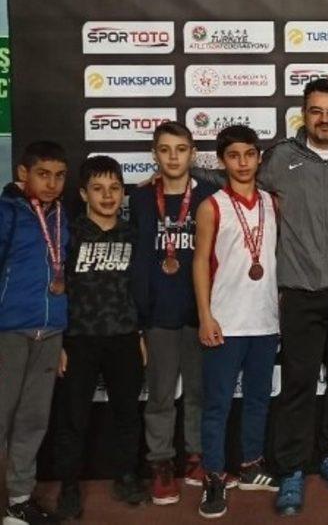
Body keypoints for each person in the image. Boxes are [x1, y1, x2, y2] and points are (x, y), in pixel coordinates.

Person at [190, 78, 328, 515]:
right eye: (316, 111)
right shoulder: (280, 158)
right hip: (300, 291)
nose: (324, 119)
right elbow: (231, 176)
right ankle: (292, 468)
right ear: (304, 115)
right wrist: (176, 174)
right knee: (297, 383)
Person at [193, 125, 281, 519]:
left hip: (264, 320)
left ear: (259, 157)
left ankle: (250, 465)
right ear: (221, 161)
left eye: (249, 154)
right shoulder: (211, 205)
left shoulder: (272, 202)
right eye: (233, 156)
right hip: (225, 322)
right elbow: (200, 262)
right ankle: (214, 475)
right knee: (217, 405)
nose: (243, 163)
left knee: (258, 399)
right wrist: (205, 315)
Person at [54, 156, 146, 519]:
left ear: (123, 192)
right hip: (79, 339)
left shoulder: (132, 234)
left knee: (127, 413)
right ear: (83, 193)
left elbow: (141, 288)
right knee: (73, 418)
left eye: (114, 188)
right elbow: (57, 290)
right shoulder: (69, 234)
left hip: (124, 337)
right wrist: (59, 341)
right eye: (98, 189)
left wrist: (139, 332)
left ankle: (127, 475)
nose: (107, 196)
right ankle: (69, 486)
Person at [132, 122, 217, 505]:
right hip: (158, 314)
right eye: (164, 149)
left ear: (192, 153)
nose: (172, 157)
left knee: (199, 392)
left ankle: (196, 457)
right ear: (154, 154)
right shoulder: (140, 198)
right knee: (161, 396)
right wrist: (139, 317)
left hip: (199, 312)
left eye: (180, 149)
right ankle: (162, 463)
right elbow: (137, 259)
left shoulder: (209, 195)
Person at [0, 142, 70, 525]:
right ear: (23, 174)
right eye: (43, 174)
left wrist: (60, 335)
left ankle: (19, 502)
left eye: (59, 176)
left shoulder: (61, 215)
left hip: (50, 332)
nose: (51, 183)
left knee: (32, 420)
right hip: (9, 331)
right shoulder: (7, 212)